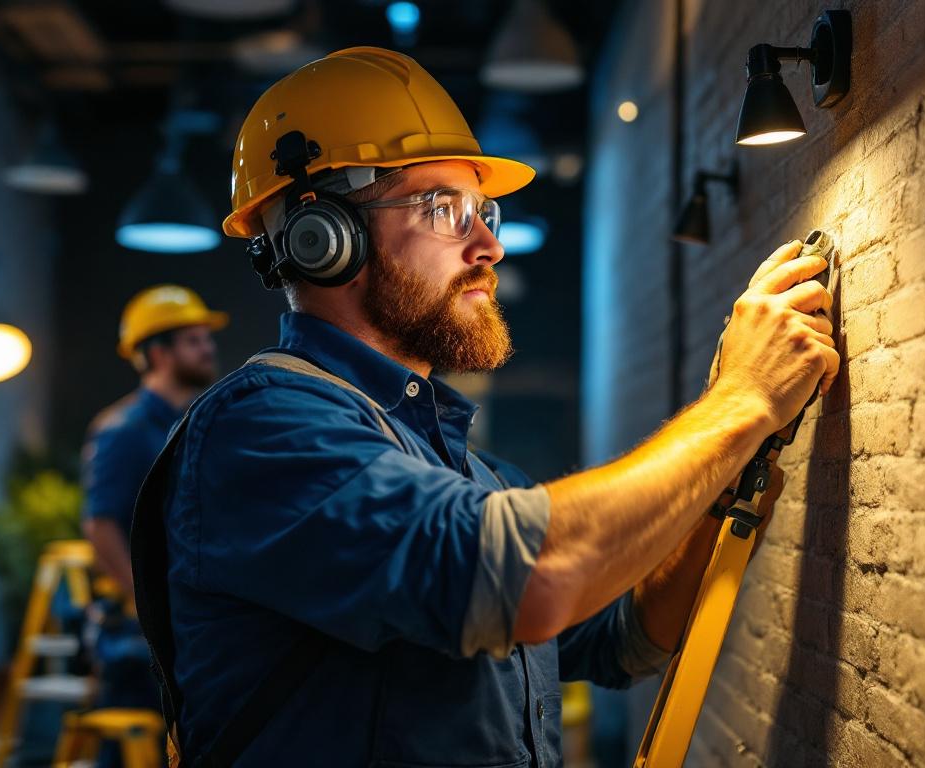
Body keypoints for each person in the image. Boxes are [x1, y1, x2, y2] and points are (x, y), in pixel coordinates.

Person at [132, 47, 838, 767]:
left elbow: (623, 639)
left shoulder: (457, 463)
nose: (489, 245)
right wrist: (739, 401)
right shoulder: (260, 430)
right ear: (323, 240)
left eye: (485, 210)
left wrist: (722, 482)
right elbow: (524, 578)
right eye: (445, 209)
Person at [79, 285, 224, 763]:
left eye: (207, 338)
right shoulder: (123, 430)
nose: (209, 348)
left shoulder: (194, 422)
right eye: (194, 340)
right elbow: (101, 527)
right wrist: (148, 611)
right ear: (158, 353)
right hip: (138, 638)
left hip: (183, 623)